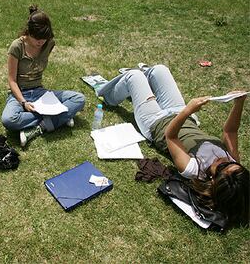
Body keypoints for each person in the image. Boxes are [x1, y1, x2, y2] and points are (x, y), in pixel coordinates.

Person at [97, 64, 249, 226]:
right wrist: (239, 103)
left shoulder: (193, 169)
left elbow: (171, 136)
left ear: (213, 180)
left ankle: (107, 95)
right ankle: (142, 88)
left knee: (133, 76)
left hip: (155, 122)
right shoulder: (233, 164)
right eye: (231, 163)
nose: (223, 160)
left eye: (221, 167)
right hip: (180, 114)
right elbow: (230, 132)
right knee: (159, 70)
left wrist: (187, 110)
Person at [1, 5, 85, 147]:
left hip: (40, 92)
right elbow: (12, 80)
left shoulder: (49, 43)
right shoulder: (17, 46)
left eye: (44, 39)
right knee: (8, 120)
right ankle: (59, 118)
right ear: (28, 33)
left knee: (79, 99)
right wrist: (23, 103)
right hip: (19, 94)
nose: (40, 43)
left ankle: (40, 126)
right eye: (37, 39)